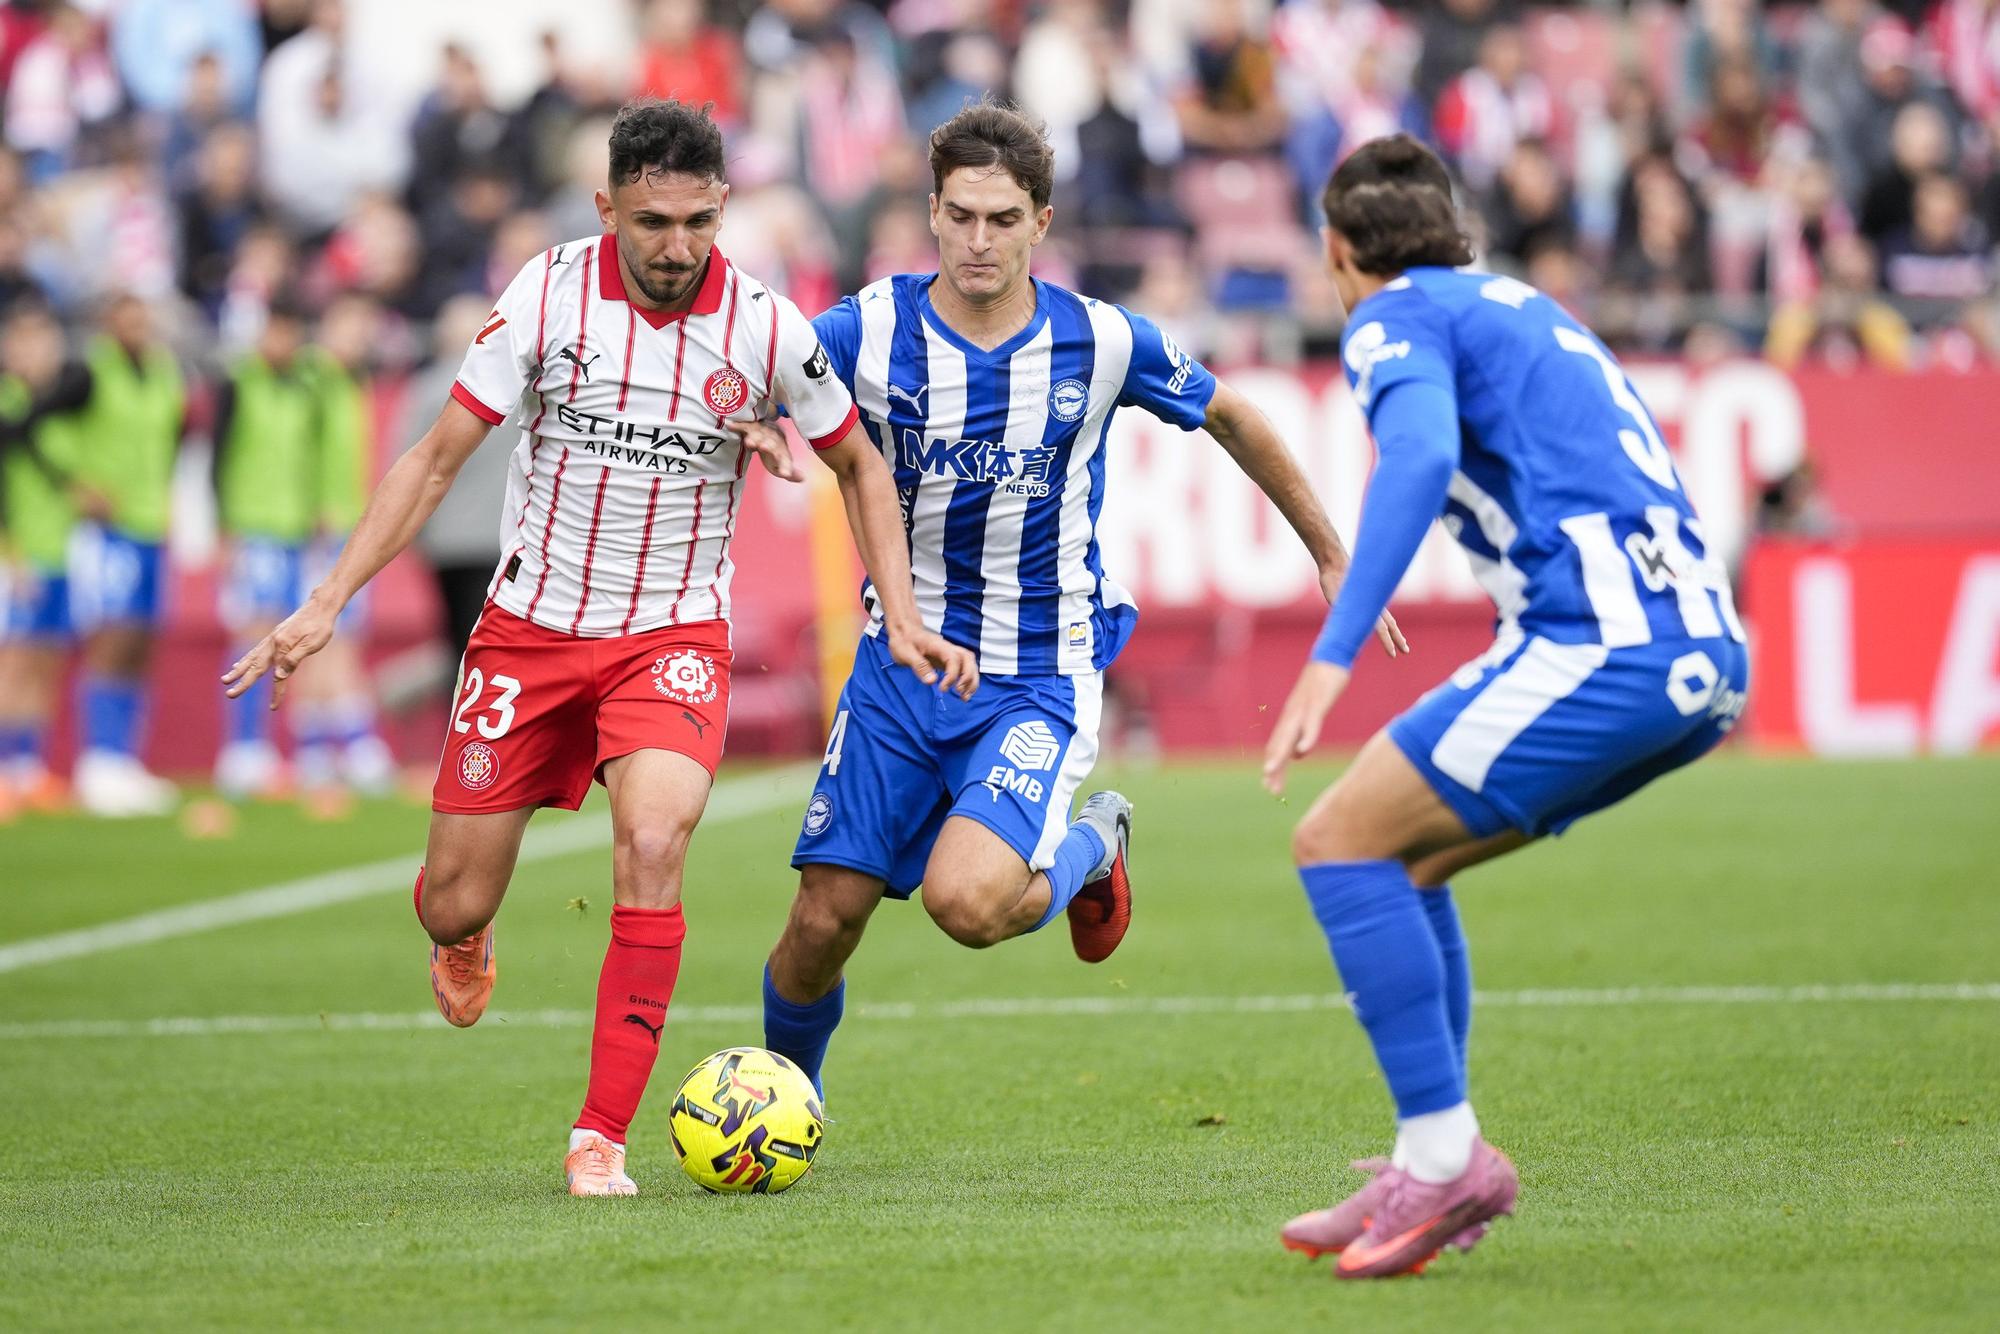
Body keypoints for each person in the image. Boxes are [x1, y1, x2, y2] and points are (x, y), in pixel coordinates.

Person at [221, 100, 973, 1197]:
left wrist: (898, 614)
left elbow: (857, 462)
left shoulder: (765, 325)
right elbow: (436, 457)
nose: (676, 247)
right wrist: (329, 596)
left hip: (668, 632)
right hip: (527, 630)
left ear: (723, 208)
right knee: (452, 896)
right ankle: (463, 935)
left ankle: (599, 1135)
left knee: (656, 839)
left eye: (697, 222)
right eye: (652, 221)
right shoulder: (545, 293)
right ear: (605, 205)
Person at [743, 102, 1401, 1102]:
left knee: (965, 903)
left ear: (1039, 223)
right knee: (821, 921)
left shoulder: (1096, 342)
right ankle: (781, 1104)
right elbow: (758, 366)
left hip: (1034, 674)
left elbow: (1232, 416)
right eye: (959, 214)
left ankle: (1094, 845)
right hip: (897, 668)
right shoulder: (868, 327)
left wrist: (1329, 550)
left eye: (1001, 218)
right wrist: (748, 416)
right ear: (930, 210)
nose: (976, 239)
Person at [1260, 135, 1750, 1280]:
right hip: (1690, 646)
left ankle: (1445, 1155)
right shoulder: (1521, 304)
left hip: (1608, 645)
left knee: (1334, 841)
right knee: (1403, 860)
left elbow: (1420, 455)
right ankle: (1428, 1150)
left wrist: (1332, 654)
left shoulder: (1387, 315)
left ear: (1338, 251)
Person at [64, 292, 186, 816]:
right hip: (109, 527)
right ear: (107, 321)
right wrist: (77, 482)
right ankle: (98, 759)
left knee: (142, 638)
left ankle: (124, 759)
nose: (138, 326)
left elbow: (177, 437)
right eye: (128, 316)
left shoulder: (163, 371)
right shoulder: (89, 372)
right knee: (111, 636)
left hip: (151, 522)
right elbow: (47, 427)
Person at [212, 295, 319, 798]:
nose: (283, 342)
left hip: (291, 527)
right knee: (252, 632)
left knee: (284, 635)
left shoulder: (304, 387)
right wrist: (223, 528)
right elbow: (216, 455)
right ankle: (241, 748)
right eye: (275, 331)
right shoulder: (238, 383)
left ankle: (267, 748)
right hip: (251, 526)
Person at [0, 299, 91, 814]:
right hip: (19, 551)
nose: (36, 352)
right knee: (12, 660)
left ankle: (28, 767)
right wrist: (9, 553)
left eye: (44, 340)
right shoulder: (7, 402)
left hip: (61, 548)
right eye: (26, 341)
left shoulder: (60, 403)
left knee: (47, 658)